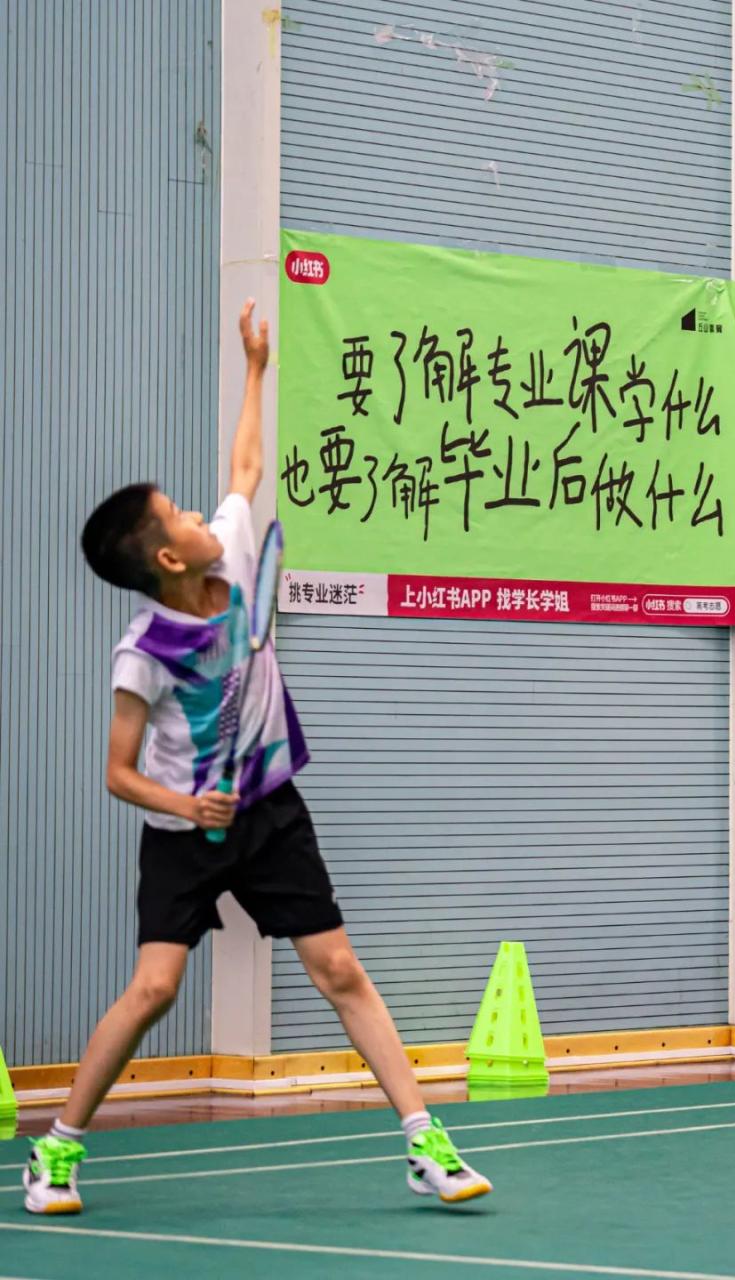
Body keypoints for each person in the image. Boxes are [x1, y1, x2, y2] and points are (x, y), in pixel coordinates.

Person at [23, 301, 492, 1215]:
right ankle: (57, 1149)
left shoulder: (235, 554)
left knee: (339, 968)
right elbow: (118, 773)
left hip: (271, 810)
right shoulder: (142, 655)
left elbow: (246, 463)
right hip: (185, 833)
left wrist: (256, 366)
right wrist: (183, 805)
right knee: (155, 988)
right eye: (179, 514)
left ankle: (422, 1140)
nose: (202, 510)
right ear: (168, 557)